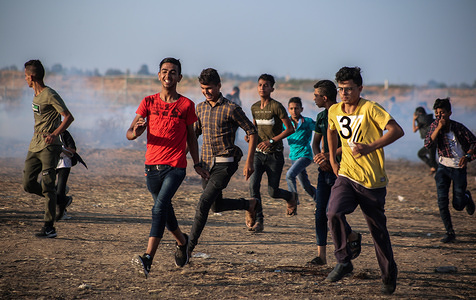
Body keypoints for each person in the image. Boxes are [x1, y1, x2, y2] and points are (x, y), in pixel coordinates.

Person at [325, 67, 404, 295]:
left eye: (349, 89)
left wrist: (370, 147)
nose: (344, 93)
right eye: (340, 89)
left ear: (360, 88)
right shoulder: (334, 110)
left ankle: (389, 276)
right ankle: (344, 260)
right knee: (333, 213)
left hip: (372, 181)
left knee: (378, 232)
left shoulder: (370, 108)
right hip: (347, 175)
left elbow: (396, 131)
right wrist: (333, 158)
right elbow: (331, 131)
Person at [128, 58, 205, 278]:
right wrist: (138, 132)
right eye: (164, 71)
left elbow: (192, 137)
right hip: (151, 167)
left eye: (173, 72)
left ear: (179, 77)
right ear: (158, 75)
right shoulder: (148, 102)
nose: (168, 75)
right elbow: (130, 133)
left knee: (158, 209)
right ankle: (183, 242)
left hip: (175, 167)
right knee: (165, 209)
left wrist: (197, 164)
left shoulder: (186, 105)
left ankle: (148, 257)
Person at [187, 68, 258, 258]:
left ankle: (187, 248)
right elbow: (194, 135)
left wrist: (249, 162)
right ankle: (249, 204)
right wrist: (182, 158)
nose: (206, 92)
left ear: (219, 86)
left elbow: (252, 132)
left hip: (226, 162)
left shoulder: (232, 108)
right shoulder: (200, 108)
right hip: (206, 164)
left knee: (203, 203)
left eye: (209, 88)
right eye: (203, 88)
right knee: (215, 206)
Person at [307, 80, 361, 266]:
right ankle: (321, 256)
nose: (313, 99)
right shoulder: (322, 117)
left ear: (325, 97)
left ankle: (351, 236)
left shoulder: (341, 114)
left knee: (334, 211)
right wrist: (319, 159)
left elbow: (348, 144)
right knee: (320, 213)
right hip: (324, 170)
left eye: (315, 96)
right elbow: (315, 144)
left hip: (342, 169)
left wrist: (329, 157)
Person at [22, 59, 74, 238]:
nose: (26, 80)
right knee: (28, 183)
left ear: (32, 76)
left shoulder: (50, 94)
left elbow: (68, 117)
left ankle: (49, 227)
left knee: (48, 185)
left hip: (49, 145)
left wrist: (54, 134)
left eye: (26, 77)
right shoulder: (36, 96)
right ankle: (61, 199)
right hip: (35, 143)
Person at [247, 74, 295, 233]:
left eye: (266, 85)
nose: (262, 88)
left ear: (272, 88)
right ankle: (259, 220)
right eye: (260, 85)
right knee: (253, 186)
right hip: (258, 155)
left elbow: (290, 129)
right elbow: (253, 129)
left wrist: (271, 141)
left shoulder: (277, 106)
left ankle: (290, 197)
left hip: (275, 155)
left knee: (273, 192)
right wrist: (250, 137)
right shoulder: (254, 107)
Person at [424, 98, 475, 243]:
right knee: (442, 201)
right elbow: (428, 144)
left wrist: (468, 155)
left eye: (442, 113)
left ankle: (466, 197)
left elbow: (474, 142)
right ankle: (449, 232)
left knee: (458, 205)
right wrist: (438, 128)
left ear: (449, 113)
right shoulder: (434, 126)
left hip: (458, 168)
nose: (439, 116)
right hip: (442, 168)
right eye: (437, 113)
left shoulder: (458, 128)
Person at [284, 97, 316, 201]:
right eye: (292, 108)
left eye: (296, 108)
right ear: (288, 109)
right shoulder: (285, 123)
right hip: (293, 156)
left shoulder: (307, 121)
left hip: (305, 155)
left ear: (301, 109)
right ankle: (322, 202)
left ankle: (293, 200)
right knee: (305, 186)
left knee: (289, 175)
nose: (294, 111)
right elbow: (275, 134)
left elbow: (322, 129)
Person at [56, 129, 87, 221]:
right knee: (44, 186)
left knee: (59, 190)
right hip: (51, 162)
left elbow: (72, 149)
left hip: (64, 163)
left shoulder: (64, 133)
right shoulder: (45, 132)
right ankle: (64, 198)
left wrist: (60, 148)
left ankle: (62, 211)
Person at [413, 106, 437, 173]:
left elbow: (414, 130)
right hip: (434, 141)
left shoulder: (421, 122)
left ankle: (436, 169)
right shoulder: (429, 119)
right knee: (429, 157)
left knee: (427, 157)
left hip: (430, 142)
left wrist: (414, 119)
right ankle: (433, 168)